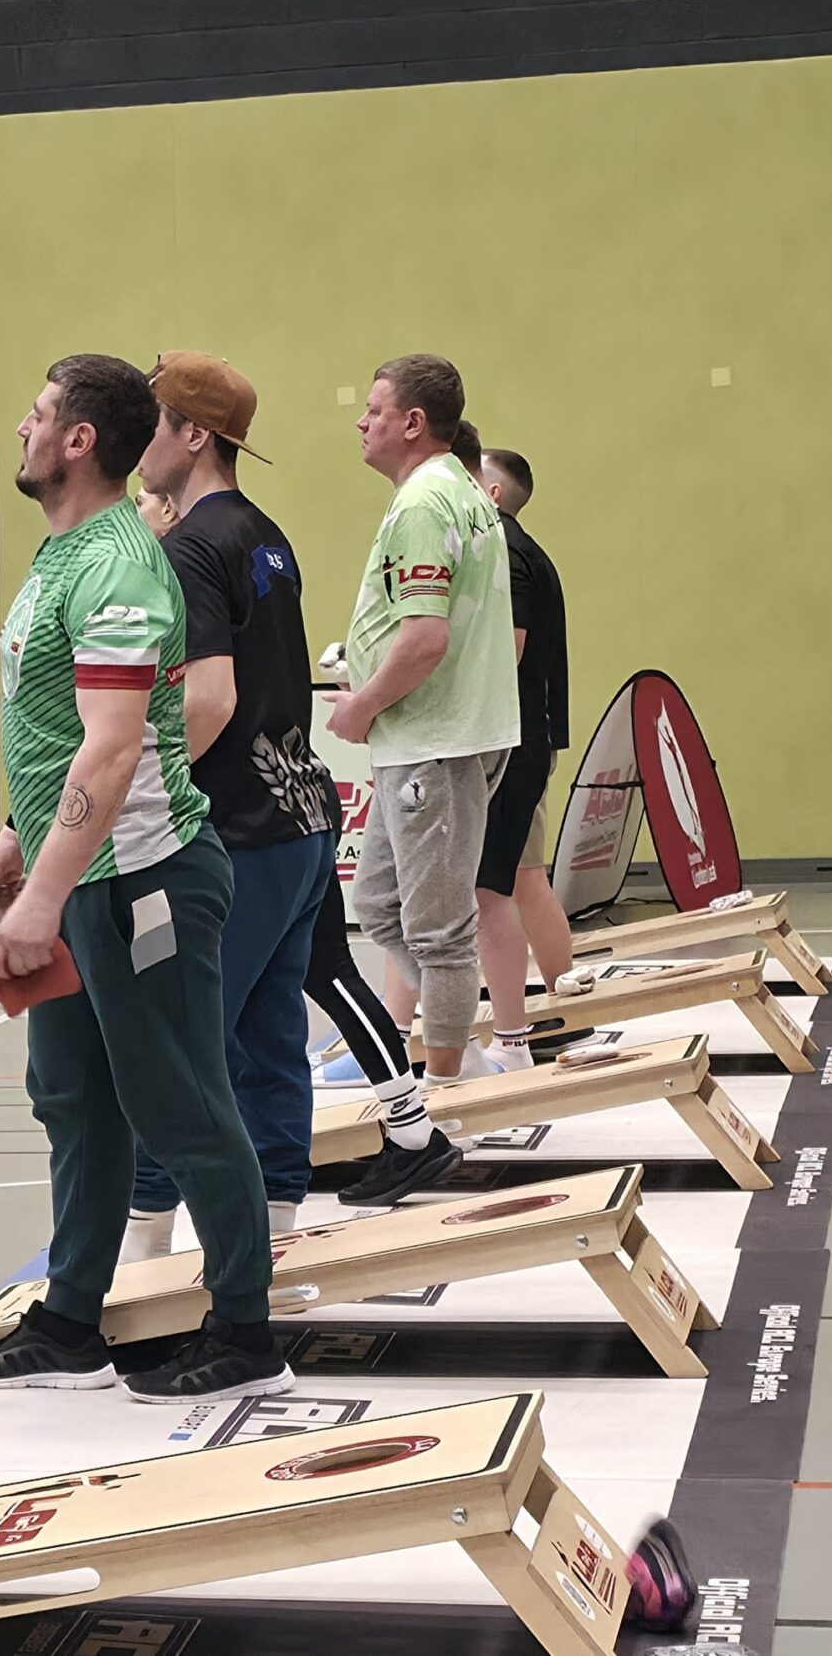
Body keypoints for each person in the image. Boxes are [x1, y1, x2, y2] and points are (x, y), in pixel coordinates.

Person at [0, 353, 284, 1405]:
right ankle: (70, 1320)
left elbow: (111, 749)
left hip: (143, 880)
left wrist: (42, 899)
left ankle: (245, 1329)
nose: (22, 426)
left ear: (79, 439)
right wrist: (19, 833)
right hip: (76, 875)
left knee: (177, 1100)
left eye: (38, 414)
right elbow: (61, 731)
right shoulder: (62, 554)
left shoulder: (118, 568)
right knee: (73, 1097)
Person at [120, 353, 336, 1261]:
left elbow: (207, 700)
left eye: (151, 423)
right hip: (300, 823)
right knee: (268, 1037)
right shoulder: (265, 534)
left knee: (171, 1045)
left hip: (236, 833)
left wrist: (139, 793)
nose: (138, 442)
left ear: (193, 434)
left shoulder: (190, 549)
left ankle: (140, 1253)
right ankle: (275, 1237)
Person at [327, 354, 518, 1207]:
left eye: (373, 409)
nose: (360, 421)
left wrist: (359, 705)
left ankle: (442, 1101)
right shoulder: (458, 493)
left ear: (412, 421)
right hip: (425, 742)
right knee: (378, 903)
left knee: (438, 932)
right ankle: (455, 1034)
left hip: (434, 743)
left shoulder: (426, 502)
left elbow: (425, 638)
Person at [474, 444, 579, 1062]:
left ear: (493, 494)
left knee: (512, 883)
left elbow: (507, 648)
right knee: (521, 877)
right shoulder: (526, 551)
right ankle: (566, 997)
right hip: (529, 735)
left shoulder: (508, 552)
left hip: (517, 742)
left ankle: (553, 1007)